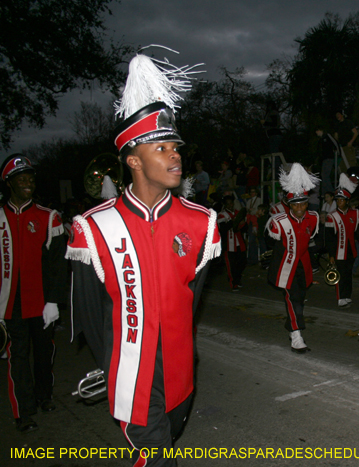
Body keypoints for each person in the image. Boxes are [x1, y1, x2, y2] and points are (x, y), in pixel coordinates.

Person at [67, 51, 221, 466]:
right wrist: (114, 368)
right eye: (162, 148)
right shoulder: (93, 226)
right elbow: (90, 310)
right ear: (133, 161)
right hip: (128, 374)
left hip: (181, 372)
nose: (175, 156)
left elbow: (194, 296)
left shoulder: (202, 221)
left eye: (176, 148)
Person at [1, 155, 67, 433]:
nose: (28, 183)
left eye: (30, 178)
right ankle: (24, 412)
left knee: (43, 354)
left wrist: (53, 300)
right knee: (17, 358)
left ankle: (44, 395)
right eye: (21, 179)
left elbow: (58, 264)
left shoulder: (48, 217)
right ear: (9, 183)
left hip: (41, 304)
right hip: (8, 305)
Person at [266, 163, 321, 353]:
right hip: (285, 267)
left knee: (300, 298)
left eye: (303, 203)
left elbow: (310, 240)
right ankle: (296, 335)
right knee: (293, 299)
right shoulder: (278, 222)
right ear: (289, 205)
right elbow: (271, 242)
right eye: (295, 204)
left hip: (303, 266)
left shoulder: (313, 218)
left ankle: (292, 325)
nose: (300, 207)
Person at [325, 174, 359, 307]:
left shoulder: (355, 214)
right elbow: (329, 238)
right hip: (338, 251)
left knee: (348, 273)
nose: (339, 202)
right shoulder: (331, 216)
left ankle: (347, 296)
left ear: (347, 201)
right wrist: (331, 254)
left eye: (342, 200)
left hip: (351, 250)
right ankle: (341, 297)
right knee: (340, 273)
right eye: (337, 200)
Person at [218, 195, 247, 291]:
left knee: (242, 262)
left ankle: (237, 280)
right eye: (228, 204)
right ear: (225, 205)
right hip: (229, 244)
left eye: (231, 203)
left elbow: (245, 228)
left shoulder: (238, 213)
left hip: (240, 242)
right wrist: (232, 221)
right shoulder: (222, 215)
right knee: (231, 265)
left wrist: (242, 223)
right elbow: (222, 229)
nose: (230, 205)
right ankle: (233, 283)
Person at [316, 126, 341, 197]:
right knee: (323, 175)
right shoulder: (321, 140)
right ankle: (325, 192)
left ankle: (330, 191)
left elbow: (335, 143)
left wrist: (338, 153)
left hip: (329, 158)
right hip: (324, 159)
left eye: (317, 131)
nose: (316, 133)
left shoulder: (327, 136)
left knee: (325, 175)